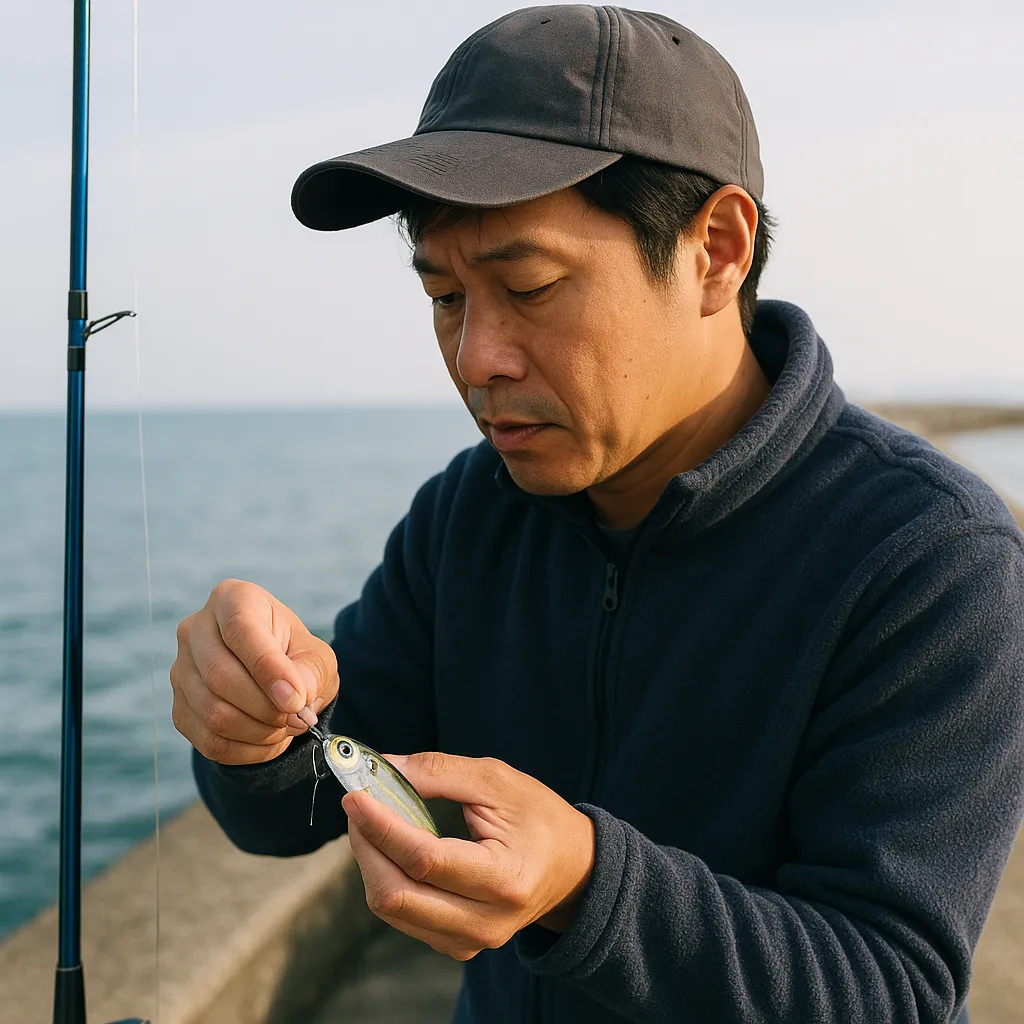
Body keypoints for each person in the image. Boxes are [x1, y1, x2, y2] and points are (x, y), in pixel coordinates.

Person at [171, 7, 1024, 1023]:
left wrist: (586, 884)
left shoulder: (929, 558)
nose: (475, 355)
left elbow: (889, 987)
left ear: (716, 248)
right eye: (444, 296)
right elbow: (306, 796)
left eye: (526, 286)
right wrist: (249, 730)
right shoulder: (467, 514)